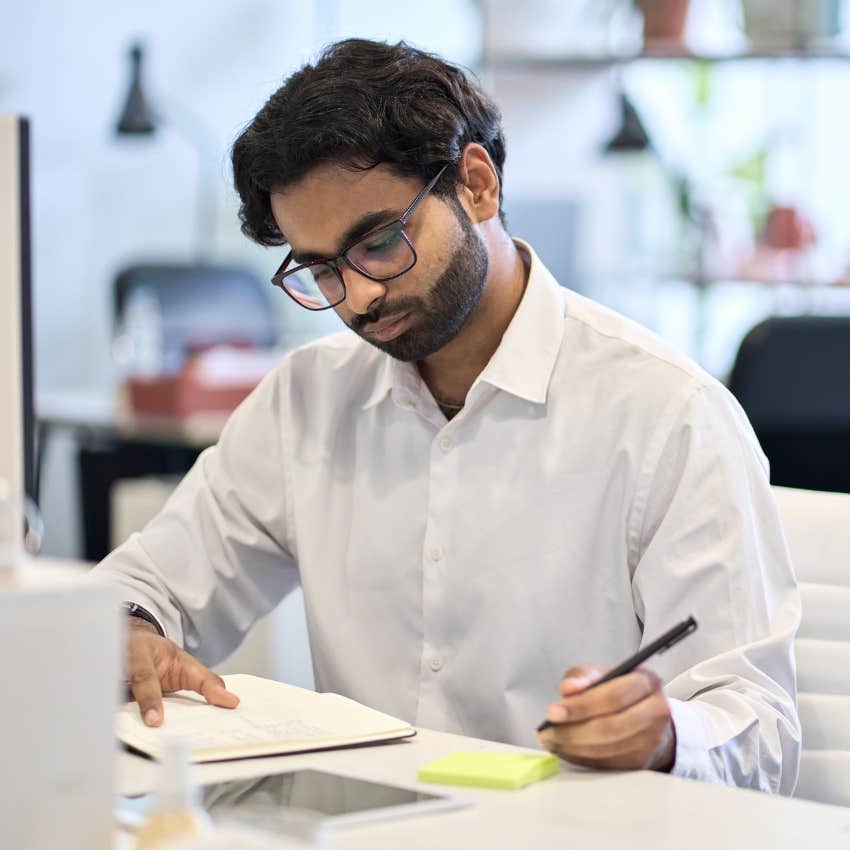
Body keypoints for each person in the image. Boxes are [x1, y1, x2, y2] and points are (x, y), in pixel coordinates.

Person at [94, 38, 801, 793]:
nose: (358, 297)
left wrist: (666, 735)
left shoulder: (668, 415)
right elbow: (144, 582)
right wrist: (130, 629)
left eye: (378, 243)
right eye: (321, 269)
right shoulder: (308, 398)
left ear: (476, 183)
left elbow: (759, 728)